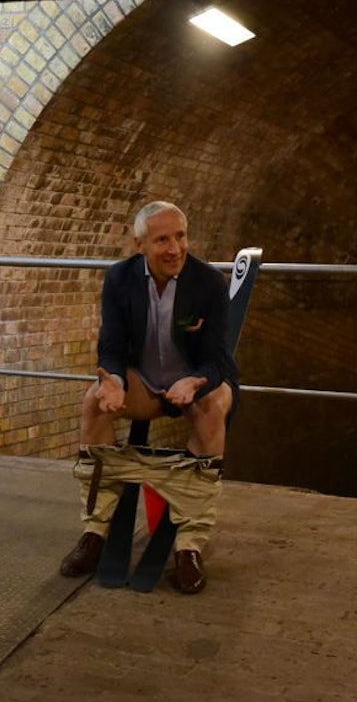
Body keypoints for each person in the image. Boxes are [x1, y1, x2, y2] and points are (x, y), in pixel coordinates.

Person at [59, 201, 238, 593]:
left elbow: (217, 359)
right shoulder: (120, 279)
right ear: (139, 244)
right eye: (162, 240)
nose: (175, 248)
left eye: (180, 237)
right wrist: (114, 381)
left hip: (195, 382)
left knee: (213, 411)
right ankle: (96, 531)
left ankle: (189, 545)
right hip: (145, 382)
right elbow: (111, 346)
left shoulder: (208, 282)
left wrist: (195, 382)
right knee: (93, 402)